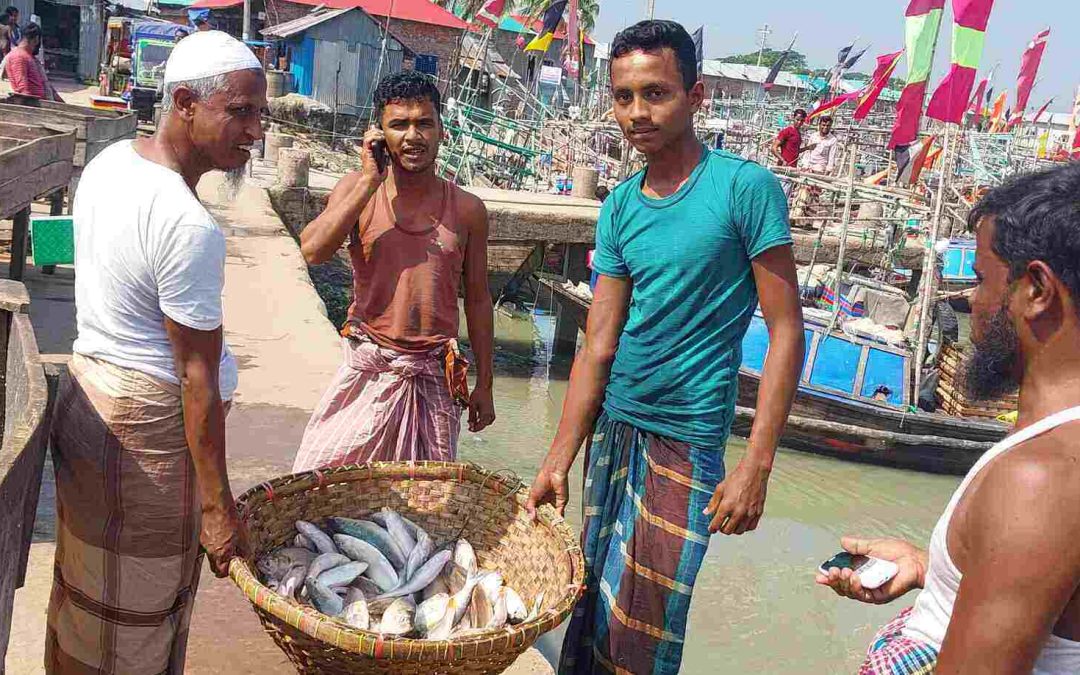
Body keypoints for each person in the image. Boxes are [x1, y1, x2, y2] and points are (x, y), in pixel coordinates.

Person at [525, 20, 805, 675]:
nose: (637, 113)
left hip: (686, 438)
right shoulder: (620, 205)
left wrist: (756, 463)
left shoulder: (744, 189)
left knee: (645, 629)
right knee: (590, 609)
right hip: (614, 430)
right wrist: (557, 458)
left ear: (696, 95)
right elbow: (597, 343)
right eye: (623, 97)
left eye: (656, 93)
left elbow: (786, 328)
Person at [48, 31, 265, 673]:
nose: (254, 130)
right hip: (146, 440)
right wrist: (216, 508)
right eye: (239, 111)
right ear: (183, 103)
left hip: (91, 406)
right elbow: (195, 378)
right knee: (138, 620)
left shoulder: (113, 162)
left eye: (260, 113)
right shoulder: (186, 224)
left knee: (88, 598)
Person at [817, 163, 1080, 674]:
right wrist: (930, 571)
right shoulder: (1055, 446)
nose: (970, 301)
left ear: (1038, 290)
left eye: (982, 280)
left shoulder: (1040, 479)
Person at [292, 70, 495, 471]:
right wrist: (370, 180)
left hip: (434, 374)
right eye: (399, 124)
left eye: (424, 123)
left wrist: (485, 384)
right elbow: (313, 250)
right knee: (318, 479)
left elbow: (477, 297)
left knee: (426, 503)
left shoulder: (469, 209)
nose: (412, 136)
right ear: (379, 133)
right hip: (368, 365)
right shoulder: (357, 188)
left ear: (442, 131)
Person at [2, 22, 61, 101]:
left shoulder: (30, 58)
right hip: (36, 107)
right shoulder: (19, 56)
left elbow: (48, 87)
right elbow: (23, 90)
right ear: (36, 39)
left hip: (45, 104)